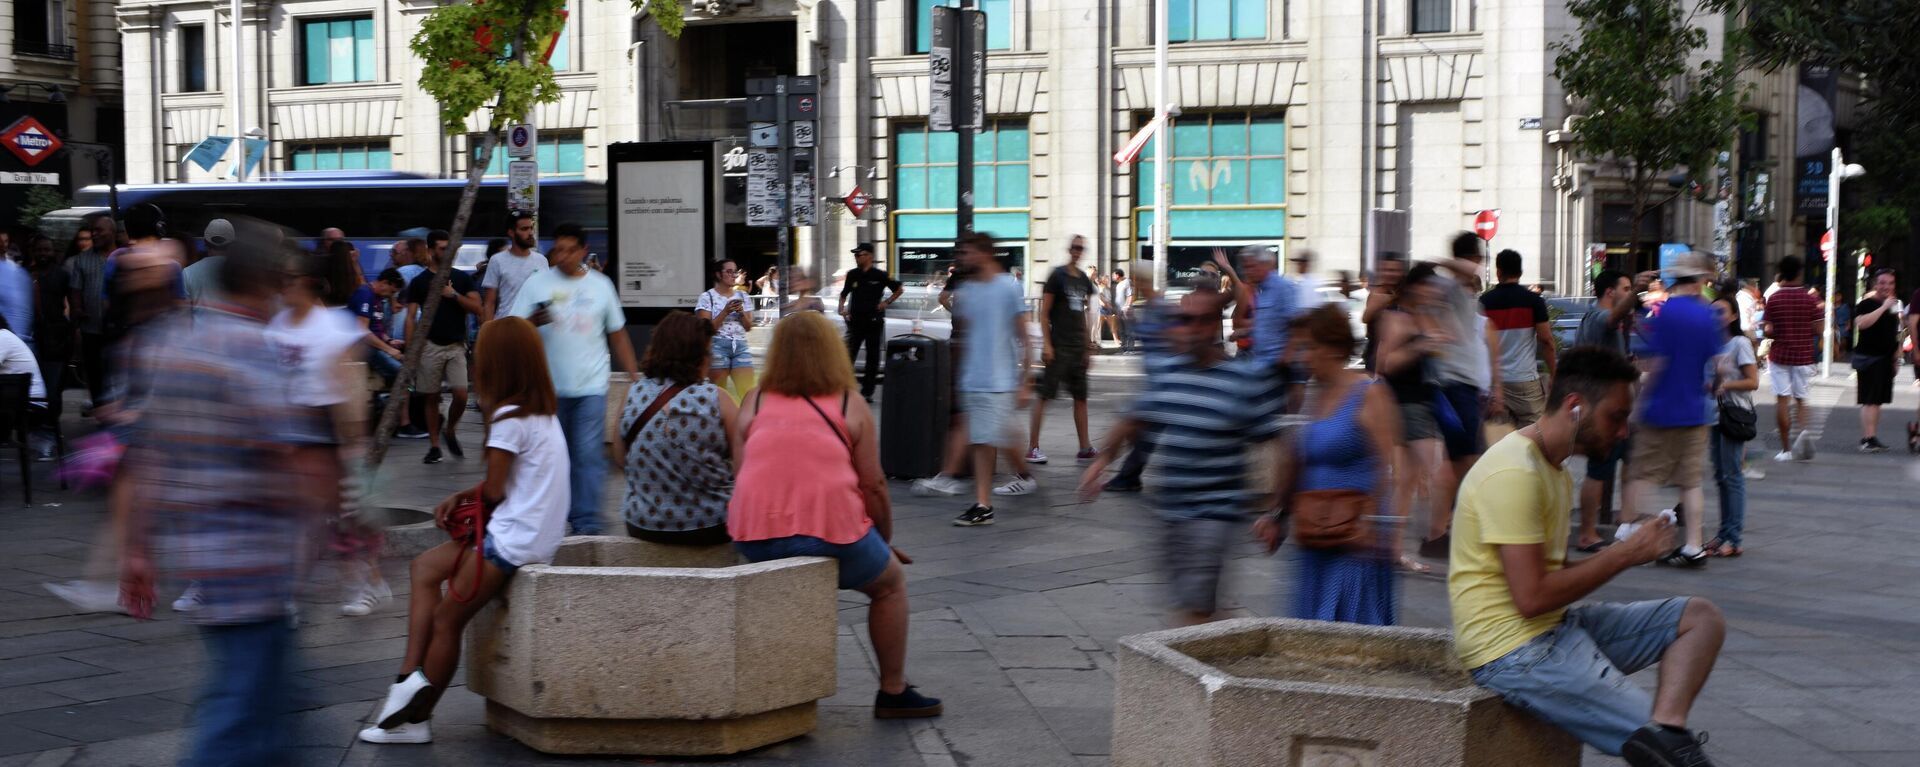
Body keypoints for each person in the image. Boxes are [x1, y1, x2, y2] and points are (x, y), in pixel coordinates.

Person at [1450, 345, 1725, 765]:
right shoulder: (1514, 472)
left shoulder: (1553, 468)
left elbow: (1552, 581)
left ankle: (1666, 731)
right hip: (1509, 654)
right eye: (1616, 416)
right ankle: (1664, 746)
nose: (1623, 432)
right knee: (1675, 758)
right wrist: (1623, 554)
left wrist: (1622, 553)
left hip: (1553, 630)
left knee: (1701, 619)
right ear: (1575, 407)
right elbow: (1532, 598)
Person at [117, 240, 312, 766]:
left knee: (259, 708)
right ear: (263, 286)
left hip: (203, 556)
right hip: (256, 559)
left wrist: (138, 551)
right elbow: (283, 452)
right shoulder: (253, 348)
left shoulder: (176, 346)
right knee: (238, 715)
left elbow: (149, 456)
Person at [359, 317, 569, 745]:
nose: (474, 360)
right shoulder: (540, 412)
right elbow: (507, 483)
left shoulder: (509, 417)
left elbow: (495, 489)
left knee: (447, 620)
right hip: (526, 533)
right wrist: (462, 495)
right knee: (423, 568)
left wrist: (473, 496)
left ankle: (415, 718)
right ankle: (407, 676)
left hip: (511, 543)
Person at [729, 311, 943, 718]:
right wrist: (883, 541)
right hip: (831, 534)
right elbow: (874, 486)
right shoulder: (849, 403)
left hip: (753, 535)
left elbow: (742, 473)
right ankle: (893, 690)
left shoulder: (754, 400)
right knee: (890, 586)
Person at [1081, 288, 1284, 625]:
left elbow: (1276, 446)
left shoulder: (1243, 379)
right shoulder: (1169, 372)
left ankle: (1200, 663)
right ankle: (1227, 638)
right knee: (1191, 604)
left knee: (1193, 610)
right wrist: (1103, 461)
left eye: (1200, 321)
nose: (1191, 328)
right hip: (1170, 511)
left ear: (1214, 326)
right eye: (1184, 320)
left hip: (1214, 514)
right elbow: (1134, 418)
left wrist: (1276, 512)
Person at [1261, 305, 1401, 624]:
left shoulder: (1369, 393)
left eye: (1308, 347)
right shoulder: (1312, 393)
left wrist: (1376, 524)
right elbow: (1297, 459)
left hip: (1354, 540)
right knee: (1313, 632)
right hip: (1316, 534)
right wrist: (1276, 515)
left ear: (1334, 347)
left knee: (1347, 631)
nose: (1301, 357)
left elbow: (1388, 466)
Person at [268, 255, 389, 616]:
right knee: (301, 520)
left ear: (308, 281)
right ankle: (290, 593)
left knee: (346, 519)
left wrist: (353, 443)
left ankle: (365, 583)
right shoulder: (275, 327)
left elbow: (349, 386)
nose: (283, 285)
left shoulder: (333, 326)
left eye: (290, 278)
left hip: (329, 434)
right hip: (291, 436)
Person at [510, 223, 639, 536]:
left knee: (586, 453)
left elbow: (617, 333)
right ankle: (552, 518)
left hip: (591, 387)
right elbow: (511, 330)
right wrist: (531, 322)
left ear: (583, 251)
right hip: (547, 389)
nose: (563, 256)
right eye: (558, 250)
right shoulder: (536, 284)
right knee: (552, 458)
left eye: (570, 250)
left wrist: (636, 377)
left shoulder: (601, 285)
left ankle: (586, 523)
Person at [1624, 253, 1723, 568]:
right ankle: (1694, 546)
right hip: (1695, 411)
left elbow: (1656, 364)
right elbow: (1720, 365)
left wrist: (1640, 404)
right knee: (1690, 482)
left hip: (1661, 410)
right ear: (1697, 282)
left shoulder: (1665, 314)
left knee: (1642, 474)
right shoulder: (1707, 316)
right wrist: (1712, 385)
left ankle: (1633, 536)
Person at [620, 311, 734, 544]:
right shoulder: (717, 398)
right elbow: (746, 465)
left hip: (643, 524)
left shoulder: (633, 394)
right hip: (712, 524)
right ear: (698, 355)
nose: (710, 359)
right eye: (708, 352)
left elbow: (621, 458)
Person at [949, 232, 1037, 525]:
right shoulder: (968, 290)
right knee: (984, 440)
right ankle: (994, 494)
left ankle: (984, 502)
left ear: (984, 253)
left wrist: (1026, 379)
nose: (963, 257)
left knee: (986, 441)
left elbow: (1024, 335)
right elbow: (969, 334)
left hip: (1000, 379)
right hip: (974, 378)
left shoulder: (1008, 287)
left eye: (968, 252)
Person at [1422, 232, 1501, 559]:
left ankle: (1441, 532)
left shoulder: (1459, 292)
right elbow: (1465, 272)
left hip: (1464, 387)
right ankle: (1442, 532)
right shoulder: (1450, 287)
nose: (1481, 266)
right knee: (1464, 463)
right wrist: (1446, 262)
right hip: (1456, 387)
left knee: (1460, 463)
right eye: (1479, 257)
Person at [1370, 262, 1450, 573]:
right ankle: (1435, 537)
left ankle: (1392, 550)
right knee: (1436, 472)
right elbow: (1386, 362)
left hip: (1418, 401)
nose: (1435, 293)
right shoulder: (1398, 317)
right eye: (1431, 287)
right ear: (1417, 287)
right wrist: (1422, 345)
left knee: (1406, 482)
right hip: (1407, 404)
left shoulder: (1419, 316)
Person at [1571, 269, 1651, 551]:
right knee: (1599, 469)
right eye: (1625, 288)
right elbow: (1615, 317)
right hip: (1603, 407)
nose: (1629, 292)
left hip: (1615, 407)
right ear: (1610, 292)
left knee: (1631, 459)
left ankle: (1625, 522)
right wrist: (1637, 291)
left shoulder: (1597, 319)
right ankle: (1587, 533)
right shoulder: (1599, 317)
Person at [404, 231, 482, 464]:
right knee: (431, 396)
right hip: (430, 344)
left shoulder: (460, 278)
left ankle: (450, 430)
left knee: (461, 394)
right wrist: (410, 350)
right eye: (440, 248)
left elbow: (477, 308)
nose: (445, 252)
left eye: (448, 248)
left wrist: (453, 295)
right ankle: (435, 445)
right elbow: (410, 317)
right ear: (430, 250)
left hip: (456, 344)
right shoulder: (419, 282)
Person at [1028, 235, 1096, 465]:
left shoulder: (1084, 279)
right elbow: (1044, 312)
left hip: (1078, 347)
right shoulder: (1057, 276)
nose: (1078, 251)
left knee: (1081, 397)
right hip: (1059, 346)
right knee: (1045, 395)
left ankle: (1084, 447)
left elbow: (1085, 314)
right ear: (1069, 249)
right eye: (1075, 247)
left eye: (1081, 248)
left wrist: (1088, 347)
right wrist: (1047, 344)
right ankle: (1033, 447)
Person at [1481, 249, 1556, 429]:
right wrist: (1554, 373)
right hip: (1525, 381)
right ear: (1520, 273)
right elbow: (1546, 341)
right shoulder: (1533, 301)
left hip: (1495, 383)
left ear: (1498, 272)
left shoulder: (1484, 302)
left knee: (1501, 442)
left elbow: (1481, 344)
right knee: (1534, 440)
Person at [1706, 295, 1757, 559]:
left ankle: (1734, 538)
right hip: (1714, 414)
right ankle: (1724, 532)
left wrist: (1726, 385)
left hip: (1734, 415)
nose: (1715, 316)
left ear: (1734, 316)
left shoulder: (1739, 343)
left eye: (1721, 312)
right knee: (1720, 475)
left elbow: (1753, 381)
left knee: (1732, 476)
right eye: (1711, 312)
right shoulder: (1712, 344)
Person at [1761, 256, 1820, 461]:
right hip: (1803, 355)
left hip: (1780, 356)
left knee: (1782, 400)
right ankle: (1803, 439)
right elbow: (1818, 328)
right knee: (1802, 400)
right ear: (1799, 272)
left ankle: (1785, 450)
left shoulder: (1774, 299)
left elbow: (1768, 330)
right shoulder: (1809, 298)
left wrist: (1776, 332)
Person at [837, 242, 903, 401]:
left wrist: (886, 302)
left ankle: (868, 392)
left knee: (872, 358)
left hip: (873, 321)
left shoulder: (879, 275)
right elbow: (844, 293)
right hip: (856, 321)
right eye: (855, 255)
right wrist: (842, 309)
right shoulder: (852, 274)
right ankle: (844, 388)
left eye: (859, 254)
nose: (856, 257)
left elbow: (899, 289)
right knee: (848, 356)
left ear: (869, 256)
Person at [67, 211, 115, 410]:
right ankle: (101, 413)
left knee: (116, 374)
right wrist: (77, 309)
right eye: (92, 230)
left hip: (117, 329)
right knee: (95, 375)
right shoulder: (82, 260)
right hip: (92, 330)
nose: (94, 234)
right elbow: (75, 290)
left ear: (111, 232)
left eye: (99, 230)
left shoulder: (121, 256)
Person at [1852, 269, 1899, 453]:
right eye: (1882, 283)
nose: (1886, 286)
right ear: (1875, 284)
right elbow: (1862, 324)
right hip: (1869, 358)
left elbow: (1896, 332)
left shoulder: (1894, 305)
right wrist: (1882, 308)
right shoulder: (1866, 304)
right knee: (1869, 401)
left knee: (1878, 401)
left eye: (1890, 283)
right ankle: (1867, 438)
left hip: (1886, 358)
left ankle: (1872, 436)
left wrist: (1897, 358)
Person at [696, 260, 756, 396]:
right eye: (729, 272)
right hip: (717, 346)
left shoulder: (743, 296)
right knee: (718, 394)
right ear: (718, 274)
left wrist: (741, 313)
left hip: (740, 346)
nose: (734, 275)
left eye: (735, 271)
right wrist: (725, 312)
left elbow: (748, 327)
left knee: (747, 393)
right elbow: (705, 329)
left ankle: (745, 417)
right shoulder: (707, 297)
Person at [482, 212, 547, 323]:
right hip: (506, 326)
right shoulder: (497, 260)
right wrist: (488, 332)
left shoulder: (541, 260)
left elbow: (544, 295)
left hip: (534, 329)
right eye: (524, 229)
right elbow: (489, 303)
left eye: (531, 228)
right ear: (511, 232)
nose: (531, 233)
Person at [1240, 245, 1298, 369]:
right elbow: (1270, 323)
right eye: (1245, 268)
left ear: (1265, 265)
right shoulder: (1260, 290)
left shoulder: (1283, 287)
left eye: (1251, 267)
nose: (1247, 272)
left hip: (1276, 363)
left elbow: (1296, 324)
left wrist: (1286, 357)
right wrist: (1247, 331)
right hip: (1260, 360)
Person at [1360, 253, 1407, 372]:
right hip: (1376, 355)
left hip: (1401, 356)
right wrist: (1384, 301)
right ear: (1380, 272)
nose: (1390, 274)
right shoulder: (1376, 294)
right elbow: (1365, 318)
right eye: (1386, 270)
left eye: (1395, 270)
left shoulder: (1406, 293)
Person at [181, 219, 235, 307]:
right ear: (232, 245)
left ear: (205, 243)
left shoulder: (187, 273)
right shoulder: (242, 272)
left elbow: (184, 310)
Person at [1112, 268, 1135, 352]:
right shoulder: (1118, 284)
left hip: (1126, 310)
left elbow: (1130, 295)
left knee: (1129, 329)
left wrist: (1127, 306)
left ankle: (1130, 348)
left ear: (1118, 275)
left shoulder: (1127, 282)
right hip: (1119, 311)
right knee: (1121, 329)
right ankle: (1123, 347)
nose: (1112, 277)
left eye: (1113, 275)